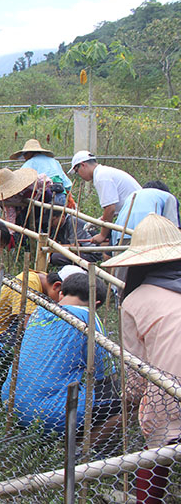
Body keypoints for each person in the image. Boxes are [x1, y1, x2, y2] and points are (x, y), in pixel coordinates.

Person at [101, 214, 181, 504]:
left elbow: (136, 368)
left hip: (171, 391)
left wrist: (131, 400)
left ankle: (148, 498)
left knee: (157, 443)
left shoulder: (135, 301)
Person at [0, 273, 120, 445]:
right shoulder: (88, 318)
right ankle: (79, 450)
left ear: (61, 293)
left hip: (12, 404)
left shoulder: (39, 311)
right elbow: (104, 371)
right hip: (50, 416)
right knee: (122, 402)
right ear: (96, 304)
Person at [0, 270, 62, 352]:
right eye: (61, 295)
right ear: (56, 285)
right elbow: (28, 324)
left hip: (1, 331)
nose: (61, 301)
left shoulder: (42, 279)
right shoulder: (29, 281)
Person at [70, 151, 141, 245]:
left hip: (134, 217)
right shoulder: (104, 172)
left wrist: (102, 235)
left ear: (83, 165)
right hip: (133, 214)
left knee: (117, 251)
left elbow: (110, 208)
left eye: (76, 171)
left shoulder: (101, 177)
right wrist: (100, 221)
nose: (78, 174)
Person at [109, 180, 180, 245]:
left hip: (121, 236)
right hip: (149, 237)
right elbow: (174, 228)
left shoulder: (132, 196)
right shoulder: (167, 196)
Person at [10, 139, 72, 206]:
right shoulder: (54, 162)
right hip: (60, 194)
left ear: (29, 153)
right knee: (59, 216)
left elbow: (19, 180)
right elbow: (68, 184)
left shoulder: (30, 163)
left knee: (45, 215)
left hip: (46, 197)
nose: (24, 157)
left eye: (25, 154)